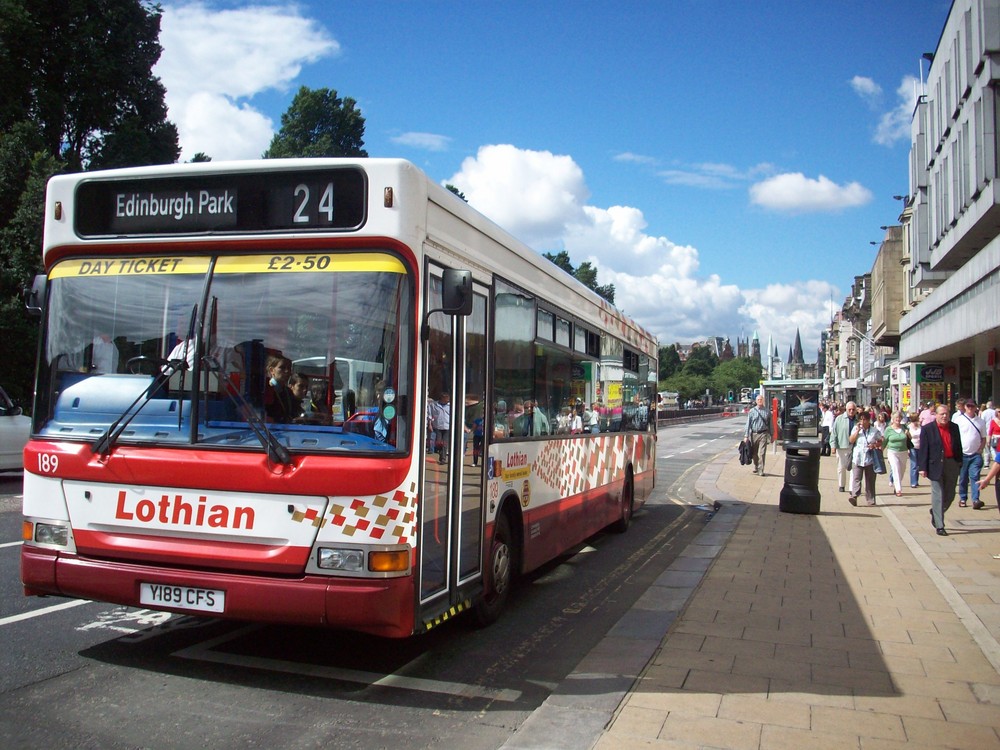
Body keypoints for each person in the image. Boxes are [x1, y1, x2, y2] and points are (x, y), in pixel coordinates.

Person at [917, 404, 963, 536]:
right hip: (935, 465)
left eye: (946, 414)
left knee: (950, 495)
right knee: (938, 494)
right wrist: (922, 467)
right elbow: (923, 449)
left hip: (951, 463)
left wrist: (959, 463)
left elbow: (958, 446)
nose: (944, 416)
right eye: (942, 414)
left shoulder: (954, 427)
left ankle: (936, 511)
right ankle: (940, 525)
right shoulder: (927, 429)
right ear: (935, 415)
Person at [954, 399, 986, 508]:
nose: (970, 408)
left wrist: (980, 449)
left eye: (972, 406)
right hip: (962, 455)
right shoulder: (959, 420)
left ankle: (976, 499)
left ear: (976, 407)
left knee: (975, 476)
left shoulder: (980, 421)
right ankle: (963, 498)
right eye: (968, 406)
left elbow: (983, 438)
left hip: (975, 455)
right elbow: (954, 437)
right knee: (963, 477)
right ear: (965, 407)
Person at [848, 411, 882, 506]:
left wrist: (874, 445)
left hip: (870, 459)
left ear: (868, 420)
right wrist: (858, 431)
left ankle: (870, 499)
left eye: (865, 419)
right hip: (857, 458)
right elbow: (851, 440)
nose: (863, 421)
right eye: (861, 419)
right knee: (856, 478)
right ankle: (854, 496)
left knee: (870, 480)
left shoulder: (874, 431)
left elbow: (880, 441)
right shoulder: (856, 428)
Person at [830, 401, 858, 492]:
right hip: (842, 446)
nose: (851, 411)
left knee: (854, 467)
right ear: (846, 409)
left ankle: (852, 487)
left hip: (855, 447)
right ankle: (841, 485)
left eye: (853, 409)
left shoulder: (858, 420)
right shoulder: (839, 419)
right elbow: (834, 433)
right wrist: (833, 446)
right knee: (841, 467)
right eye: (849, 409)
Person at [743, 394, 771, 476]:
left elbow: (770, 424)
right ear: (756, 401)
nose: (760, 401)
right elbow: (748, 424)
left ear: (763, 401)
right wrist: (746, 436)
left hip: (763, 434)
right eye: (758, 400)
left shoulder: (767, 411)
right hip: (754, 434)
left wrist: (771, 435)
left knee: (762, 453)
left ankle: (761, 469)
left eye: (761, 399)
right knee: (754, 453)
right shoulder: (752, 411)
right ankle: (756, 465)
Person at [883, 411, 909, 497]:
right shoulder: (888, 429)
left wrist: (908, 434)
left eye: (899, 417)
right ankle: (898, 489)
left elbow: (910, 439)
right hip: (892, 451)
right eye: (896, 418)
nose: (898, 419)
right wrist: (880, 452)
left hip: (903, 451)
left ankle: (896, 484)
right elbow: (885, 441)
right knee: (895, 468)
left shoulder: (904, 427)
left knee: (901, 470)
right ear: (892, 419)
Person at [263, 355, 296, 422]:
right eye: (282, 367)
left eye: (289, 368)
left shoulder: (288, 392)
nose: (287, 371)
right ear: (272, 370)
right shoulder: (266, 389)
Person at [428, 392, 451, 463]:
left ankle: (443, 459)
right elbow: (430, 415)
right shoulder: (433, 405)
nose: (447, 400)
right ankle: (440, 453)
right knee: (438, 443)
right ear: (442, 398)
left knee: (445, 443)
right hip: (437, 426)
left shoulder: (450, 405)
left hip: (447, 426)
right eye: (446, 399)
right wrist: (430, 425)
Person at [907, 412, 922, 488]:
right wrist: (907, 449)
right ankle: (913, 482)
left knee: (919, 465)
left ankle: (916, 480)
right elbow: (907, 439)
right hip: (912, 447)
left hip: (920, 447)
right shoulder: (908, 427)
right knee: (914, 465)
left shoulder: (920, 426)